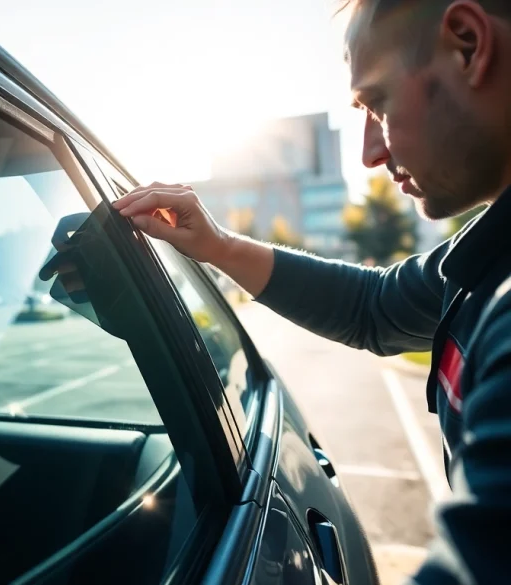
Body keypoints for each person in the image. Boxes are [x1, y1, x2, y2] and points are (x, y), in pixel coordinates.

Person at [114, 1, 511, 583]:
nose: (370, 154)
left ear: (469, 44)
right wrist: (221, 246)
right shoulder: (488, 256)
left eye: (377, 103)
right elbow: (373, 308)